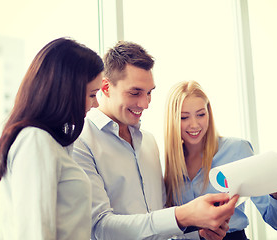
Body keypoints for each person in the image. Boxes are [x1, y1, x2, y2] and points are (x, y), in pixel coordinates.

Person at [73, 41, 239, 240]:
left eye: (149, 92)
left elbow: (159, 224)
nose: (145, 103)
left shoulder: (149, 142)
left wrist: (199, 232)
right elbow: (100, 228)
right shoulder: (80, 141)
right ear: (106, 87)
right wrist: (183, 215)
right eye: (135, 93)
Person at [0, 37, 104, 240]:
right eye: (91, 95)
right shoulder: (35, 141)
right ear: (67, 92)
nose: (95, 104)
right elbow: (35, 233)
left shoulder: (50, 143)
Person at [164, 80, 277, 240]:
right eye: (184, 117)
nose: (194, 124)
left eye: (201, 114)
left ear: (209, 113)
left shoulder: (237, 149)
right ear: (173, 120)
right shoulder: (166, 165)